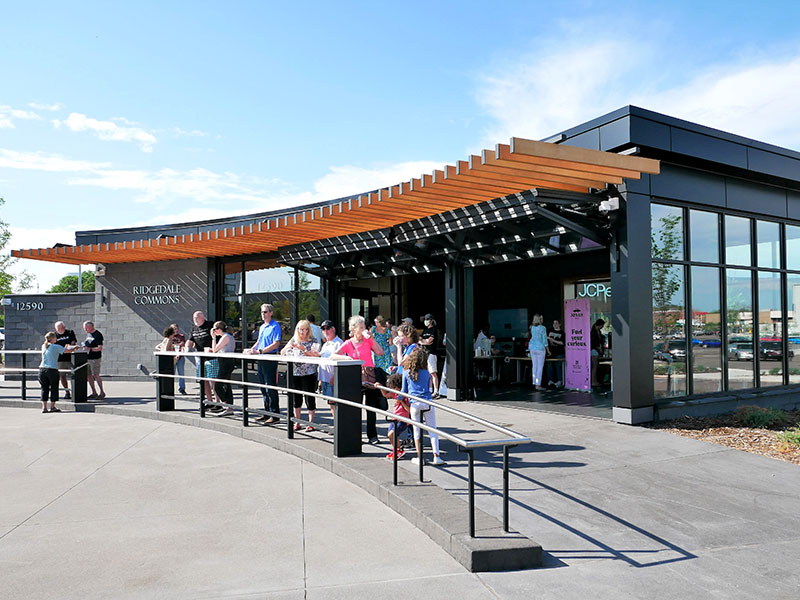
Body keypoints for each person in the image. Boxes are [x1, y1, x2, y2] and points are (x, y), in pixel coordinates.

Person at [334, 315, 385, 444]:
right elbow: (333, 355)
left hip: (370, 376)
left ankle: (372, 436)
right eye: (361, 327)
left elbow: (380, 352)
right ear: (354, 329)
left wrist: (372, 339)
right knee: (354, 408)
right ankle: (355, 436)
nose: (364, 330)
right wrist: (347, 359)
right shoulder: (348, 343)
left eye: (364, 327)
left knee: (371, 407)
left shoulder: (368, 341)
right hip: (355, 376)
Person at [401, 347, 445, 466]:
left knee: (417, 431)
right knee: (432, 429)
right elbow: (428, 388)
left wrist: (398, 400)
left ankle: (420, 457)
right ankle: (437, 456)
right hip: (427, 402)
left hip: (414, 403)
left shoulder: (406, 373)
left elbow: (403, 391)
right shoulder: (426, 373)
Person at [244, 303, 282, 424]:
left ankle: (274, 414)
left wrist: (260, 351)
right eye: (262, 312)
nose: (263, 314)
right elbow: (259, 342)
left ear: (271, 313)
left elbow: (276, 344)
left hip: (269, 357)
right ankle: (266, 412)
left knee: (270, 386)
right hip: (261, 357)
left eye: (265, 312)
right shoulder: (262, 327)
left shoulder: (275, 326)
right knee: (262, 386)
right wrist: (251, 350)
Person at [280, 319, 320, 431]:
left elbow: (317, 354)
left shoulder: (313, 340)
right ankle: (297, 422)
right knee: (296, 398)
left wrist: (304, 350)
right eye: (299, 329)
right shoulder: (294, 340)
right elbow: (282, 352)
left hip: (309, 373)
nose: (302, 332)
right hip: (295, 373)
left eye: (304, 329)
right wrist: (290, 347)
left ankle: (310, 423)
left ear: (308, 330)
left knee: (309, 397)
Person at [39, 331, 75, 413]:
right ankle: (52, 406)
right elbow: (67, 351)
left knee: (44, 389)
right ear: (53, 338)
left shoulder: (43, 346)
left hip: (42, 369)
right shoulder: (55, 346)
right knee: (54, 388)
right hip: (52, 369)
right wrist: (74, 347)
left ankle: (44, 407)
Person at [317, 320, 343, 422]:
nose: (325, 331)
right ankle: (336, 423)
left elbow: (341, 362)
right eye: (323, 329)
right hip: (325, 378)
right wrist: (320, 379)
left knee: (335, 403)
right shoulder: (325, 344)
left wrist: (334, 377)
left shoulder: (338, 343)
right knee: (331, 403)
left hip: (332, 378)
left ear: (333, 329)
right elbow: (321, 360)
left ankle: (338, 424)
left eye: (327, 328)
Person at [185, 311, 214, 401]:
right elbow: (190, 340)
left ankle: (218, 403)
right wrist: (186, 348)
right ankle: (209, 401)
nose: (195, 319)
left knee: (213, 380)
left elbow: (217, 337)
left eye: (197, 317)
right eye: (194, 318)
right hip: (200, 358)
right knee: (203, 380)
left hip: (212, 357)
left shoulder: (210, 325)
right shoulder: (194, 328)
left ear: (202, 317)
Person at [210, 321, 236, 416]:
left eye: (214, 329)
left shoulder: (225, 337)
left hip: (226, 362)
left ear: (219, 329)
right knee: (226, 385)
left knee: (218, 385)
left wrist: (213, 338)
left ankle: (226, 405)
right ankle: (229, 407)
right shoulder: (225, 337)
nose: (213, 331)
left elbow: (214, 350)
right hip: (225, 362)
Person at [381, 373, 409, 461]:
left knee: (392, 434)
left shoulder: (405, 395)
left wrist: (402, 402)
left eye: (394, 387)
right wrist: (381, 387)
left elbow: (409, 410)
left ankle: (399, 450)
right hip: (395, 418)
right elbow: (386, 395)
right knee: (391, 435)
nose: (393, 389)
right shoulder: (395, 393)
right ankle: (397, 450)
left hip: (403, 420)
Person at [82, 321, 106, 399]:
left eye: (86, 328)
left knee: (96, 375)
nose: (85, 329)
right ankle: (94, 392)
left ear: (91, 326)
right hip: (88, 358)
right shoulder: (89, 334)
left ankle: (102, 392)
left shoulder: (98, 335)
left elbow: (99, 348)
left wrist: (90, 349)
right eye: (84, 328)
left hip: (95, 358)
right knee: (89, 375)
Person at [54, 321, 77, 399]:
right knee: (62, 376)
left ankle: (75, 391)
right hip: (60, 359)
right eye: (58, 328)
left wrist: (70, 346)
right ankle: (67, 391)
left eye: (62, 328)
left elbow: (73, 342)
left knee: (74, 375)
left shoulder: (70, 332)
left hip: (71, 357)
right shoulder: (54, 335)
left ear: (64, 327)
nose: (60, 329)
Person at [528, 314, 549, 391]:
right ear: (539, 320)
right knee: (540, 367)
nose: (542, 320)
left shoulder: (532, 328)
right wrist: (548, 350)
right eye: (541, 318)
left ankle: (535, 383)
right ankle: (538, 385)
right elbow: (544, 340)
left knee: (534, 366)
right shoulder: (543, 328)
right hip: (540, 348)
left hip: (532, 348)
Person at [546, 319, 565, 388]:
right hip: (550, 352)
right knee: (550, 366)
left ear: (560, 324)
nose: (555, 324)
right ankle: (550, 380)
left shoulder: (562, 333)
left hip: (559, 352)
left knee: (558, 366)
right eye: (554, 323)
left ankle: (559, 381)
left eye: (556, 323)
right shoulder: (549, 331)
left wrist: (553, 340)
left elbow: (562, 343)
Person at [170, 323, 187, 395]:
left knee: (181, 373)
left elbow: (183, 346)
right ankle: (170, 389)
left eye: (176, 328)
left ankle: (182, 389)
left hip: (180, 357)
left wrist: (179, 354)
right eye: (174, 329)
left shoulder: (181, 336)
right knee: (171, 374)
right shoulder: (169, 337)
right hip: (172, 357)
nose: (175, 330)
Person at [591, 319, 607, 387]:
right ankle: (593, 381)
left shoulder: (597, 331)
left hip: (596, 350)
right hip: (594, 350)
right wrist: (599, 348)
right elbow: (594, 343)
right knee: (595, 366)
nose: (602, 327)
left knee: (595, 366)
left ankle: (594, 380)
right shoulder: (594, 332)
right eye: (602, 325)